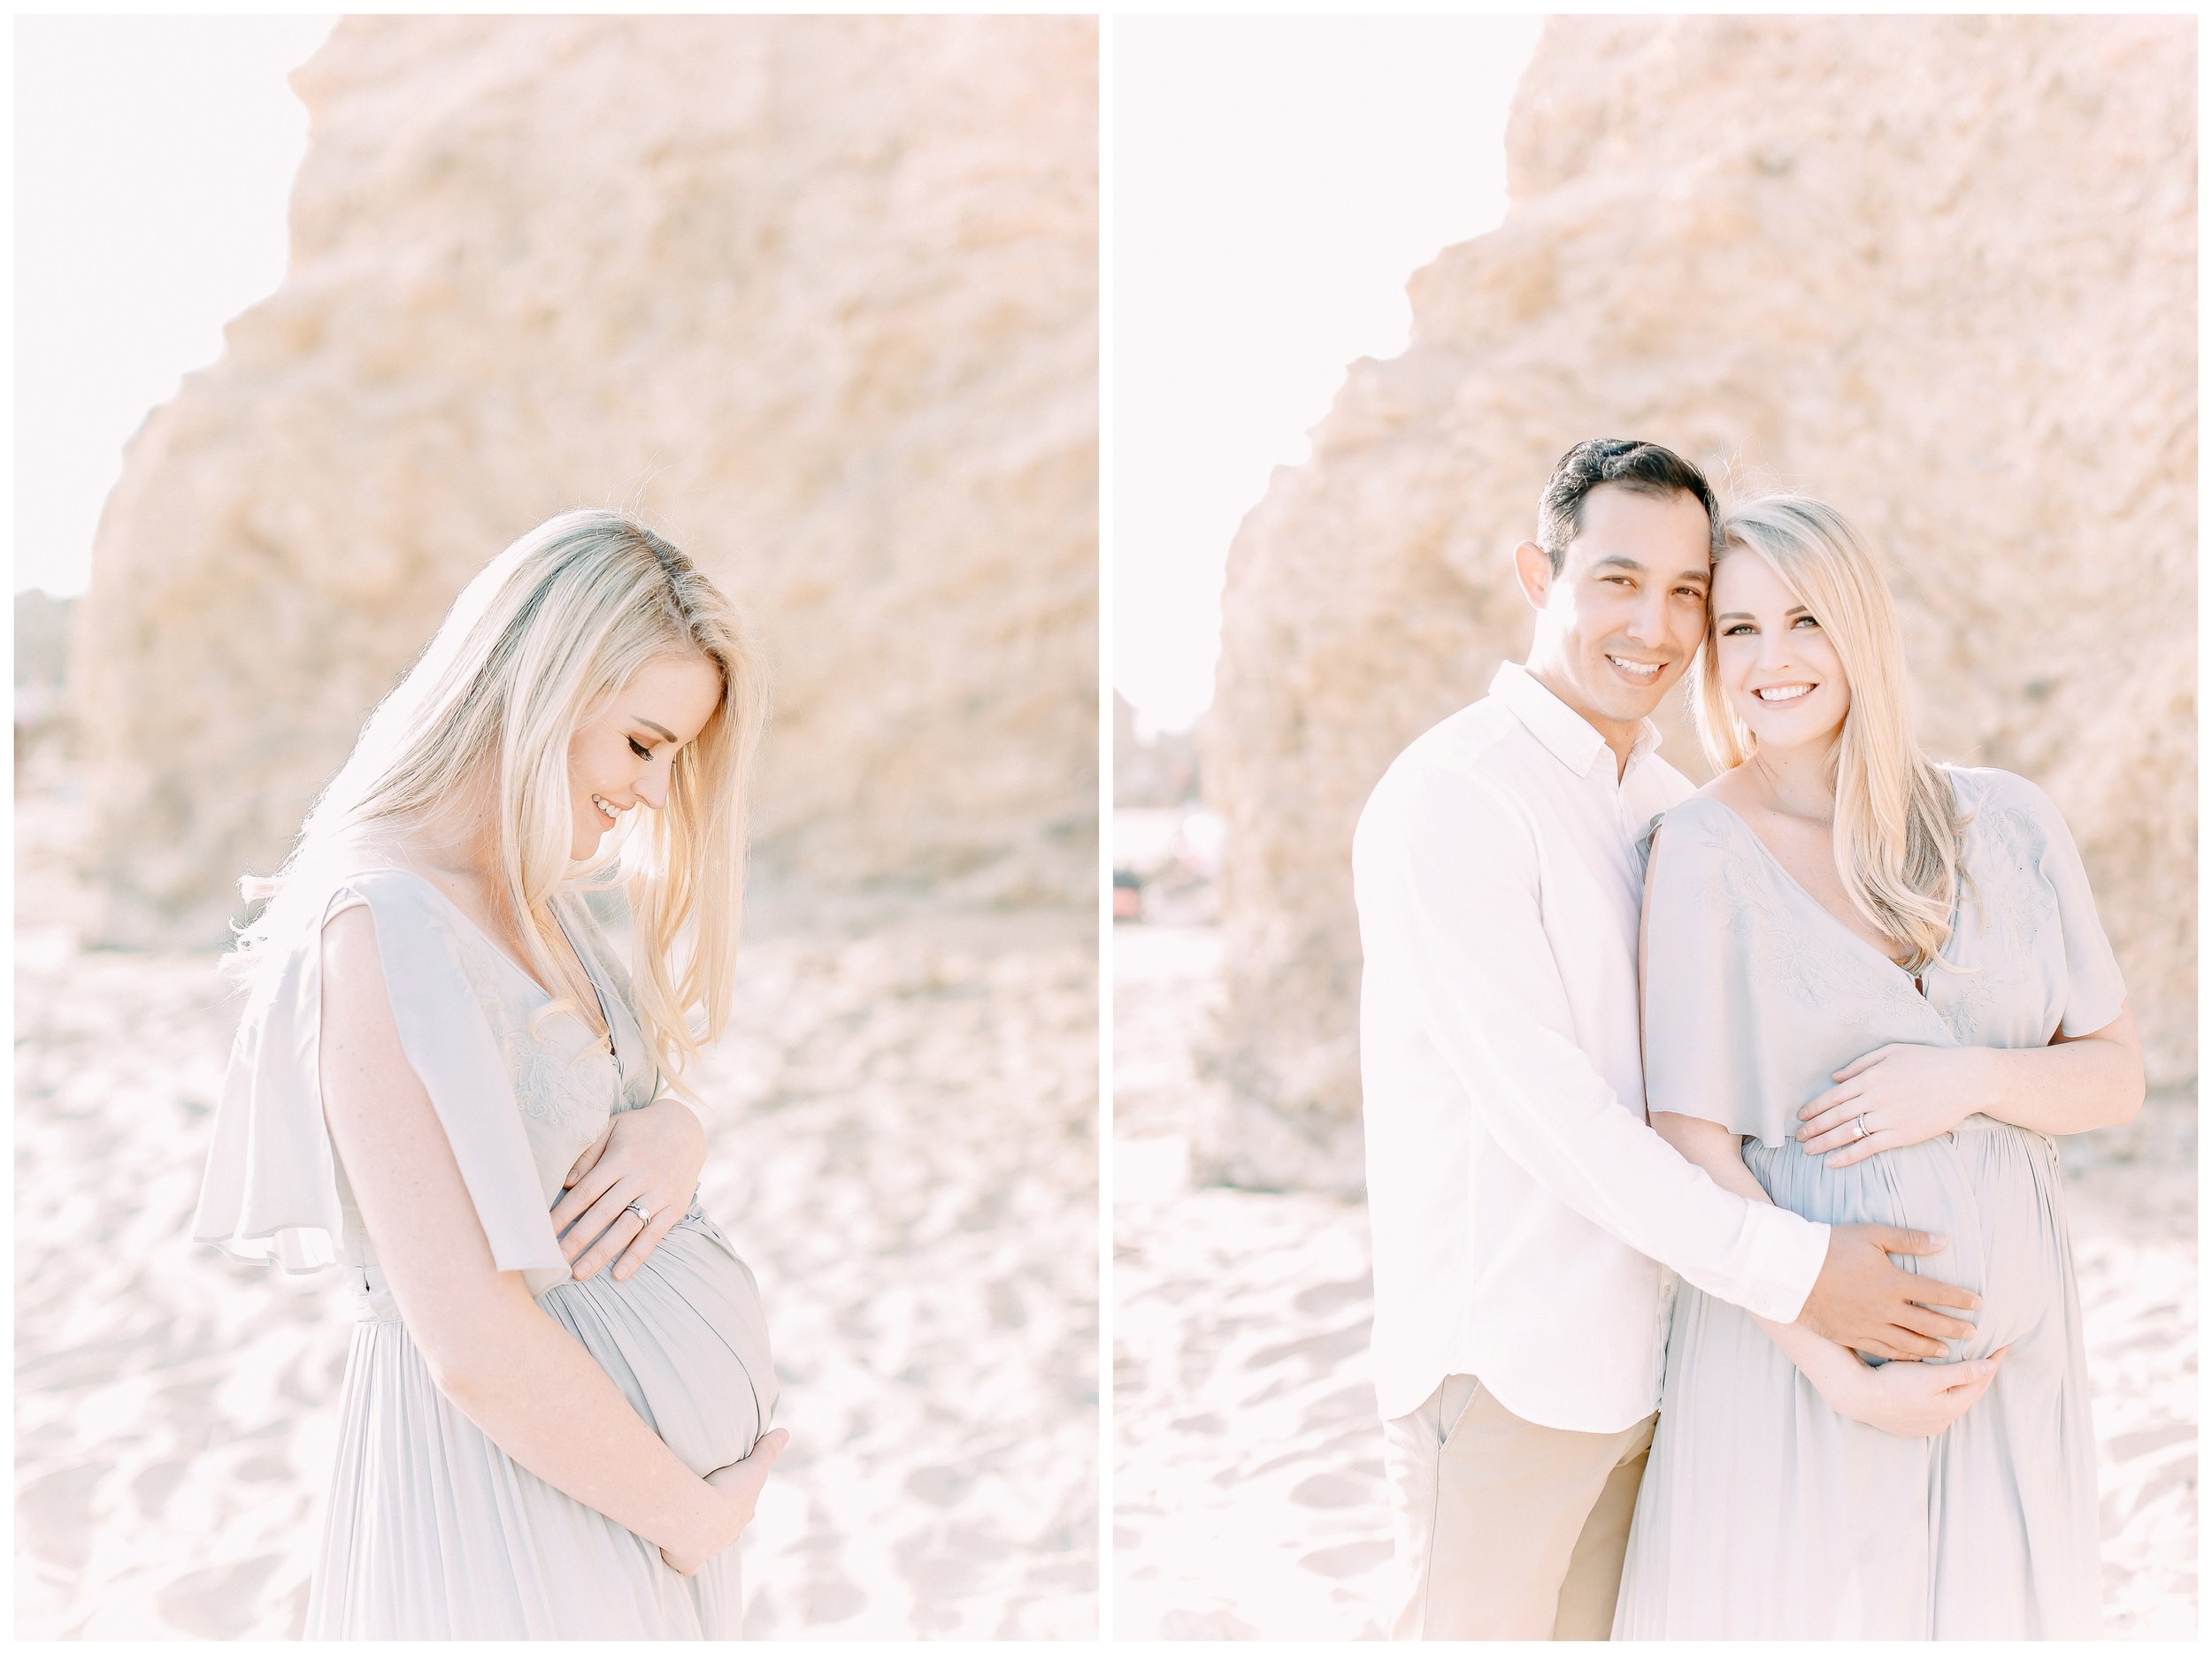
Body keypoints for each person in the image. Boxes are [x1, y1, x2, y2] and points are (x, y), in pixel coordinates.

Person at [1350, 440, 1993, 1641]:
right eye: (1617, 580)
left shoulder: (1658, 803)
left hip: (1650, 1374)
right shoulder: (1454, 796)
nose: (1655, 623)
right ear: (1540, 578)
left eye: (1688, 592)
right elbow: (1560, 1121)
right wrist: (1804, 1268)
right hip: (1505, 1375)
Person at [192, 510, 789, 1637]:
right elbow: (469, 1341)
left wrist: (677, 1126)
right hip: (512, 1503)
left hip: (617, 1502)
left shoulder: (530, 899)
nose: (653, 794)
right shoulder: (376, 923)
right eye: (643, 744)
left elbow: (580, 1121)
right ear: (543, 687)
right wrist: (687, 1516)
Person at [1612, 494, 2140, 1639]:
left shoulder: (2012, 822)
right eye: (1738, 629)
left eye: (1805, 618)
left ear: (1863, 627)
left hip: (2011, 1380)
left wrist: (1970, 1078)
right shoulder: (1700, 850)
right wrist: (1847, 1373)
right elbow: (1690, 1149)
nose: (1771, 659)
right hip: (1804, 1379)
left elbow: (2114, 1076)